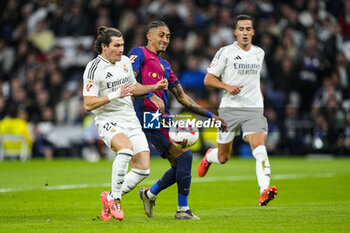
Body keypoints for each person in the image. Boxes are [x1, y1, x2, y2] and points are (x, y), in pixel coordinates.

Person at [128, 21, 227, 220]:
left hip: (161, 117)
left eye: (168, 37)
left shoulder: (165, 65)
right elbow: (129, 81)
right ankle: (182, 210)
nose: (165, 40)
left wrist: (210, 116)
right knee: (185, 157)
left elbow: (182, 97)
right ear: (149, 36)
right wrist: (149, 96)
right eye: (161, 35)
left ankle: (149, 194)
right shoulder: (138, 53)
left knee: (180, 163)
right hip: (147, 116)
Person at [82, 26, 167, 221]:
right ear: (104, 46)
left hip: (130, 118)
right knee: (125, 150)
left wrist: (152, 90)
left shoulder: (126, 62)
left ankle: (109, 197)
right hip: (108, 120)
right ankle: (116, 200)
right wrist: (114, 94)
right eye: (117, 45)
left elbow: (133, 87)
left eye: (122, 45)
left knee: (143, 169)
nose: (121, 49)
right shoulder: (94, 68)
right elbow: (88, 104)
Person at [197, 15, 278, 207]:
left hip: (253, 108)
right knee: (224, 157)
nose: (244, 32)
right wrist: (226, 86)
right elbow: (208, 79)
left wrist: (259, 94)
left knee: (259, 149)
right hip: (230, 109)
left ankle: (264, 190)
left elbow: (255, 77)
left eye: (248, 29)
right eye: (241, 29)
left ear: (253, 32)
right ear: (235, 32)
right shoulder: (225, 52)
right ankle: (210, 156)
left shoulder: (259, 53)